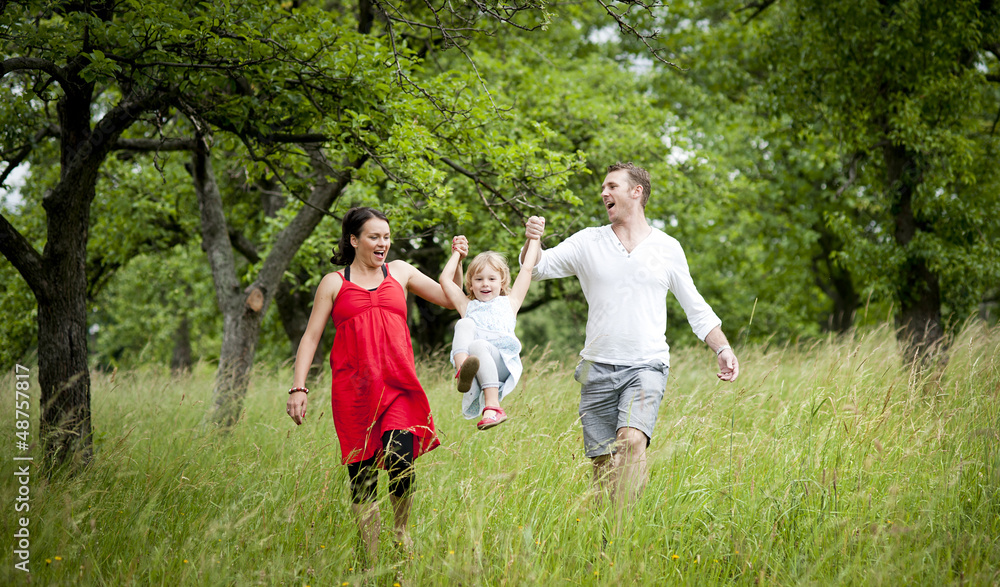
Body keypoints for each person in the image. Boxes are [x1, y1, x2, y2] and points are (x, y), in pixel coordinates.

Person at [522, 162, 740, 516]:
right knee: (603, 462)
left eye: (612, 186)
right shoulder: (588, 241)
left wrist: (723, 347)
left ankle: (628, 526)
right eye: (603, 188)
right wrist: (532, 241)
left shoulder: (667, 247)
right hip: (596, 366)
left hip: (646, 364)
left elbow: (695, 306)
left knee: (632, 440)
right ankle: (609, 531)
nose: (604, 193)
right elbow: (537, 267)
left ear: (636, 192)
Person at [285, 206, 466, 561]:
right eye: (374, 237)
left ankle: (400, 534)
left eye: (386, 237)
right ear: (354, 240)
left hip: (398, 384)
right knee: (362, 475)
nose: (383, 243)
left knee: (401, 457)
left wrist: (457, 259)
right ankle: (369, 555)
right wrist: (298, 387)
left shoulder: (399, 272)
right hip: (354, 391)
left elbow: (450, 299)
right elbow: (310, 337)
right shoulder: (334, 283)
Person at [438, 227, 544, 430]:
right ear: (471, 283)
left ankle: (494, 406)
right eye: (478, 279)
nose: (485, 284)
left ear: (502, 281)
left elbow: (527, 268)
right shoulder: (467, 305)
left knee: (478, 344)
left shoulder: (510, 302)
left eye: (491, 279)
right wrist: (457, 255)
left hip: (502, 363)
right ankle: (462, 372)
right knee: (464, 323)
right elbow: (444, 280)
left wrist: (535, 238)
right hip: (478, 363)